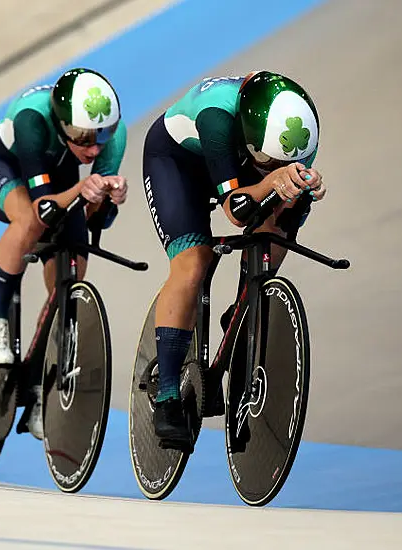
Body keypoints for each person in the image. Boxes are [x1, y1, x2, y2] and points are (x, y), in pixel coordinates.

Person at [141, 70, 327, 451]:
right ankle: (167, 396)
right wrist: (272, 181)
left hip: (238, 159)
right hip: (178, 163)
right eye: (266, 160)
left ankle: (244, 305)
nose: (272, 166)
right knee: (193, 262)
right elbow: (237, 210)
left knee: (290, 207)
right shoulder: (217, 116)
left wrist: (301, 186)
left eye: (279, 162)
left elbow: (282, 201)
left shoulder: (301, 131)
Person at [0, 67, 129, 438]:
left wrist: (108, 198)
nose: (93, 149)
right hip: (3, 167)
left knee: (74, 264)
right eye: (83, 137)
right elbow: (42, 209)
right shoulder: (32, 119)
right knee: (27, 222)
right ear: (61, 123)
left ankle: (40, 379)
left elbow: (93, 219)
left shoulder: (111, 139)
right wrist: (83, 189)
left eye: (101, 137)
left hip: (58, 182)